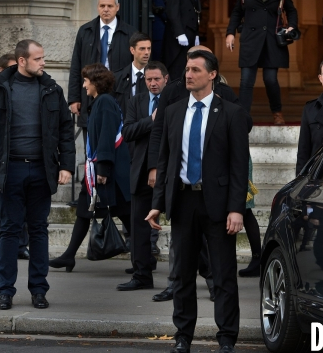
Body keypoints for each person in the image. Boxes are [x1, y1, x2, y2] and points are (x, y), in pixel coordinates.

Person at [146, 50, 249, 353]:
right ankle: (183, 336)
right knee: (182, 274)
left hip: (217, 203)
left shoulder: (230, 112)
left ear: (212, 74)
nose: (188, 75)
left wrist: (236, 208)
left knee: (224, 274)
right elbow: (165, 161)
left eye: (194, 70)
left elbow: (238, 165)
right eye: (187, 70)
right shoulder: (174, 111)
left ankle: (227, 337)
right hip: (182, 201)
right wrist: (158, 202)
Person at [0, 39, 75, 310]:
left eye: (43, 58)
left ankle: (39, 290)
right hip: (10, 170)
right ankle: (5, 291)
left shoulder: (52, 89)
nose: (44, 62)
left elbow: (66, 130)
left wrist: (66, 165)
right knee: (9, 230)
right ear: (22, 61)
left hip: (42, 170)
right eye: (38, 58)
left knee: (39, 230)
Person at [49, 64, 132, 273]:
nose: (84, 85)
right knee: (85, 211)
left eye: (86, 81)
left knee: (127, 215)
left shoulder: (104, 102)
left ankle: (145, 259)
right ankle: (69, 256)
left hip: (108, 173)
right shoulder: (99, 102)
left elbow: (106, 136)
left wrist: (102, 169)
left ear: (95, 82)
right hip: (99, 171)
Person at [225, 0, 299, 125]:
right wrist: (230, 33)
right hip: (251, 39)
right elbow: (237, 11)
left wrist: (292, 26)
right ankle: (242, 117)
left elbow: (292, 10)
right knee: (246, 80)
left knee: (270, 79)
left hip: (272, 40)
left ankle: (277, 112)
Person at [116, 62, 167, 291]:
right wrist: (150, 121)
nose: (153, 83)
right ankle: (141, 275)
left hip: (167, 172)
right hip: (140, 173)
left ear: (166, 79)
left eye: (157, 79)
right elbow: (127, 132)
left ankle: (209, 277)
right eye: (149, 80)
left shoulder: (175, 102)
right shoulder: (136, 102)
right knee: (138, 228)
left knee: (189, 226)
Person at [68, 0, 137, 140]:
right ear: (97, 7)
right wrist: (74, 99)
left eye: (110, 6)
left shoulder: (130, 33)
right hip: (90, 94)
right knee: (92, 143)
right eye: (102, 6)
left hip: (119, 94)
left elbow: (135, 67)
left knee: (117, 141)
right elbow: (76, 66)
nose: (106, 9)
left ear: (117, 7)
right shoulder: (85, 31)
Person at [0, 53, 30, 263]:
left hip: (18, 160)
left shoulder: (21, 92)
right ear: (1, 71)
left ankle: (21, 245)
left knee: (21, 207)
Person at [162, 0, 201, 80]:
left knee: (187, 69)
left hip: (190, 33)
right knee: (177, 70)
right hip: (178, 37)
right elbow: (172, 10)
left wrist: (196, 34)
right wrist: (179, 33)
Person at [113, 32, 151, 124]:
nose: (146, 52)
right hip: (123, 130)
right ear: (132, 50)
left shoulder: (159, 76)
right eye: (142, 49)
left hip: (148, 129)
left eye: (149, 49)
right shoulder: (117, 78)